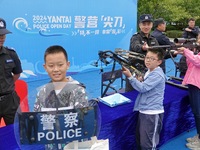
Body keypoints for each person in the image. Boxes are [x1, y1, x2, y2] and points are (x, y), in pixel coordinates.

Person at [33, 45, 89, 150]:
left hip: (73, 145)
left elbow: (83, 120)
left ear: (67, 65)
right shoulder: (42, 92)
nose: (56, 69)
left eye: (60, 65)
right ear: (45, 67)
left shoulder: (77, 90)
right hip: (52, 144)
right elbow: (38, 118)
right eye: (51, 65)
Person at [122, 48, 166, 150]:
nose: (148, 60)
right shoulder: (150, 71)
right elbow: (145, 86)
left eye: (152, 58)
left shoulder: (157, 74)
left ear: (159, 62)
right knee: (141, 141)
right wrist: (140, 81)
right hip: (144, 110)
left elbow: (143, 88)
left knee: (148, 145)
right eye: (147, 57)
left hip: (152, 112)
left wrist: (130, 77)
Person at [126, 14, 159, 92]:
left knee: (147, 94)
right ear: (140, 25)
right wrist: (143, 47)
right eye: (144, 24)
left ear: (152, 25)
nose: (146, 27)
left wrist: (173, 53)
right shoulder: (135, 37)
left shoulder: (153, 39)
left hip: (148, 72)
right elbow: (135, 46)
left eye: (148, 24)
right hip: (135, 71)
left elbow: (159, 52)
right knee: (132, 94)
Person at [176, 47, 200, 149]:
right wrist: (187, 55)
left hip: (197, 85)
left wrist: (187, 51)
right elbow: (192, 65)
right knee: (196, 112)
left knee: (198, 113)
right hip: (193, 84)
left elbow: (197, 62)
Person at [0, 18, 23, 125]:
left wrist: (6, 84)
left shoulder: (11, 54)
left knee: (16, 132)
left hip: (10, 101)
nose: (2, 38)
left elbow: (17, 73)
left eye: (3, 35)